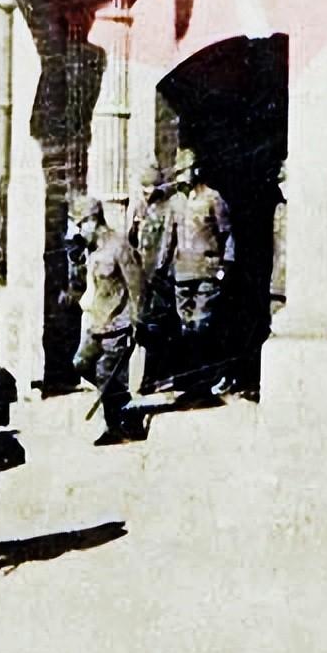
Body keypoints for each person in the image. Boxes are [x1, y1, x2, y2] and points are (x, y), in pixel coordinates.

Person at [68, 197, 145, 446]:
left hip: (117, 323)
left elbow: (136, 285)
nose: (80, 230)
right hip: (97, 322)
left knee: (106, 372)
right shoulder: (91, 250)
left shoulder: (119, 245)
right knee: (81, 364)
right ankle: (125, 409)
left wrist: (137, 321)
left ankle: (114, 426)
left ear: (94, 220)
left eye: (81, 224)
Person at [161, 148, 234, 395]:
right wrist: (162, 267)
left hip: (207, 270)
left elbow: (227, 234)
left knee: (203, 324)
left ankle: (214, 375)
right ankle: (193, 377)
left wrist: (225, 267)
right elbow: (168, 238)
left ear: (197, 170)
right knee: (186, 327)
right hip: (182, 272)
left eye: (186, 170)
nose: (182, 176)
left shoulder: (213, 198)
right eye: (179, 172)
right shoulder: (175, 202)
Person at [127, 167, 179, 394]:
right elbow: (132, 241)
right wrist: (134, 222)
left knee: (158, 326)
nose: (147, 193)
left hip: (161, 276)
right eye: (144, 189)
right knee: (144, 326)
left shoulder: (168, 208)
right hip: (143, 275)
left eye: (151, 189)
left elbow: (168, 243)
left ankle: (157, 377)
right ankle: (150, 376)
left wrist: (160, 271)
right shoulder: (141, 209)